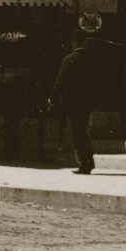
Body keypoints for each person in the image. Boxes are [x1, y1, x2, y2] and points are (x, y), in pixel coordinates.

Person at [46, 14, 112, 174]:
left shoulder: (69, 60)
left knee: (77, 132)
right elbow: (100, 81)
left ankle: (85, 164)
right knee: (83, 131)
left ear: (74, 43)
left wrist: (52, 98)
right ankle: (88, 161)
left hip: (73, 103)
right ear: (85, 42)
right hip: (88, 102)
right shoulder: (93, 59)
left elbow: (60, 82)